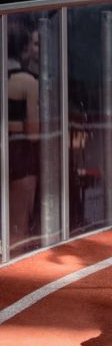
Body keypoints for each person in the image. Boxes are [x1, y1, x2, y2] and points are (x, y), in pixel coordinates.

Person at [7, 18, 40, 246]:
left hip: (8, 144)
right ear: (24, 48)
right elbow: (33, 132)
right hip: (19, 153)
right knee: (18, 227)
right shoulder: (28, 82)